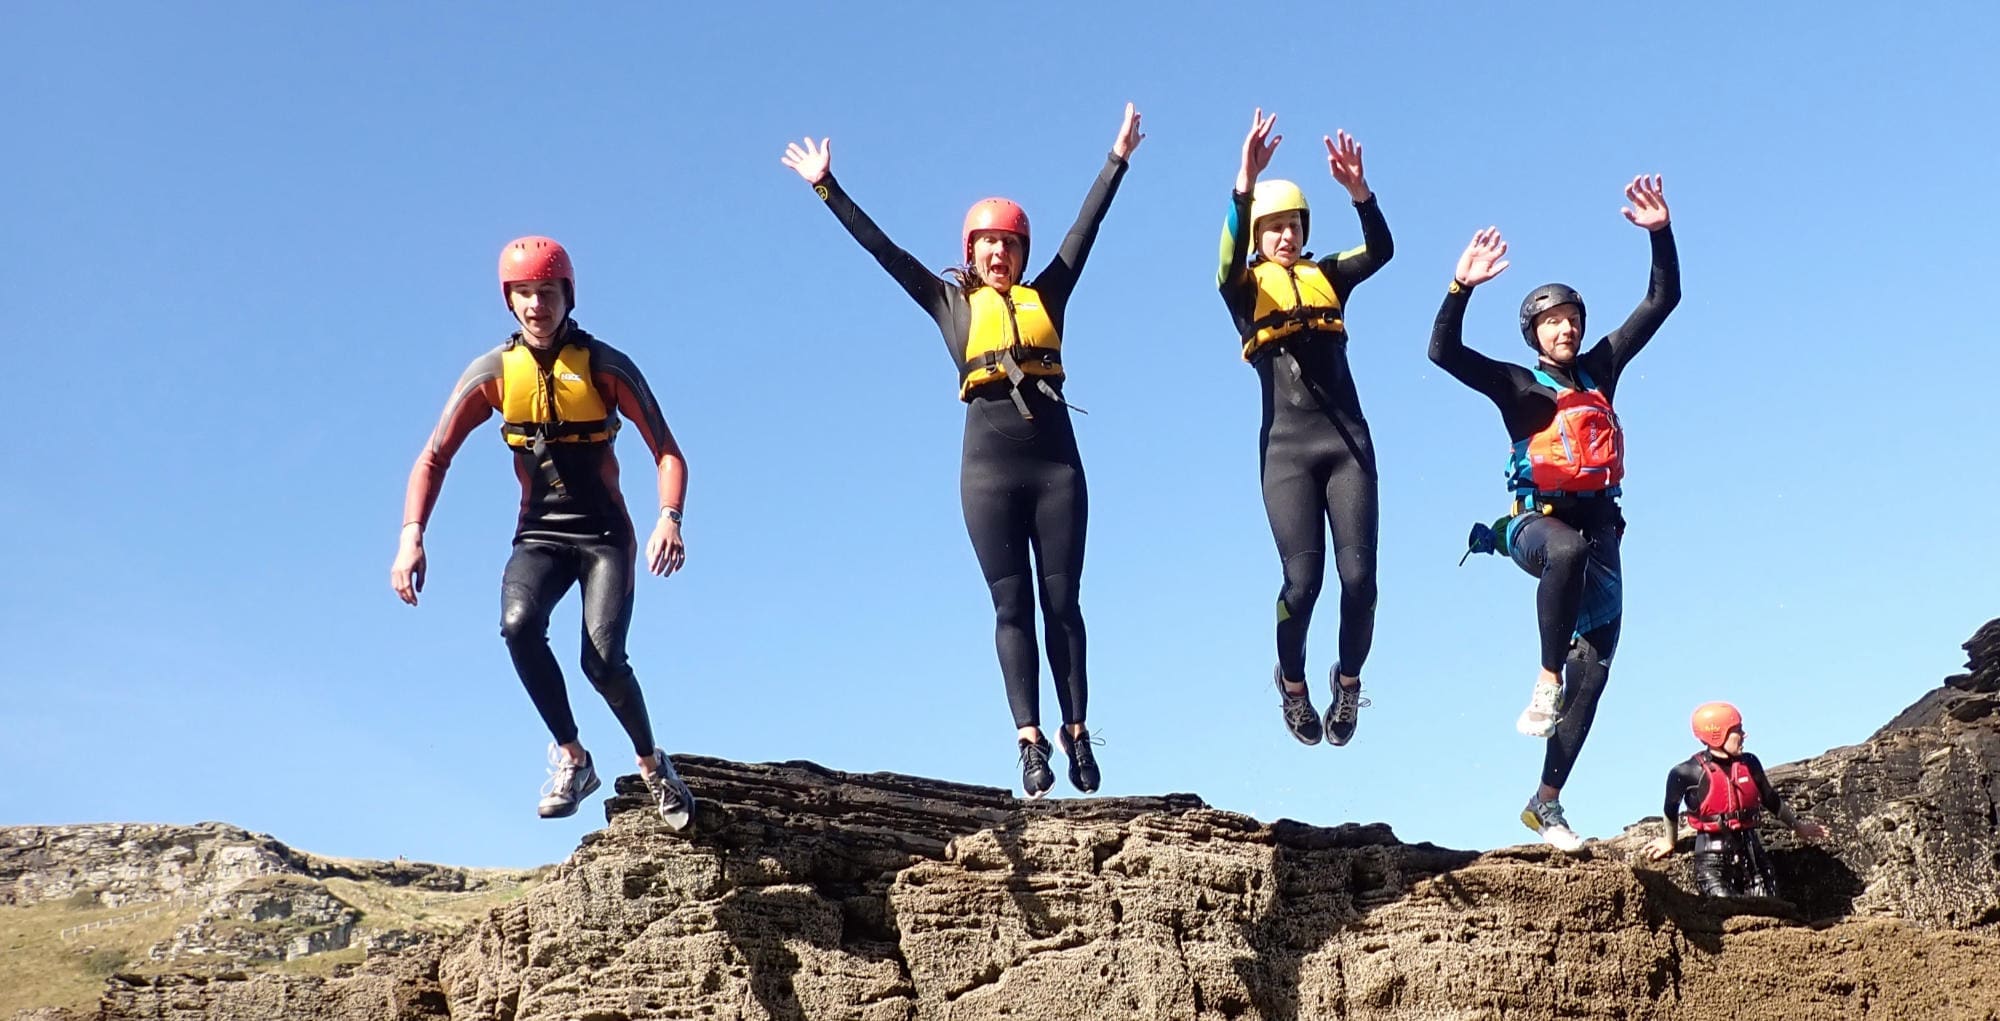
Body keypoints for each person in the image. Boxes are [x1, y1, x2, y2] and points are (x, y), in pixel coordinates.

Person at [781, 104, 1143, 798]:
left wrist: (1116, 158)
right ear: (971, 252)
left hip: (1057, 469)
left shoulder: (1049, 295)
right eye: (987, 244)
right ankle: (1030, 741)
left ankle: (1076, 729)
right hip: (988, 476)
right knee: (1013, 609)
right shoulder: (950, 305)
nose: (998, 254)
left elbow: (1084, 229)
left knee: (1063, 601)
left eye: (1008, 244)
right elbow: (884, 252)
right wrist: (829, 187)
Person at [389, 236, 696, 830]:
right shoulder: (493, 374)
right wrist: (411, 536)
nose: (536, 304)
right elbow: (432, 458)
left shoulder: (606, 366)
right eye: (524, 293)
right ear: (510, 301)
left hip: (605, 535)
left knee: (603, 663)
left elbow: (667, 450)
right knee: (518, 625)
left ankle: (654, 766)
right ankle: (573, 758)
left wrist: (670, 517)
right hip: (540, 534)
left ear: (567, 295)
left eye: (547, 292)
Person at [1430, 176, 1680, 850]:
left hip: (1603, 530)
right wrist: (1461, 287)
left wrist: (1660, 231)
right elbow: (1443, 353)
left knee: (1594, 674)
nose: (1566, 327)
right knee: (1563, 555)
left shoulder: (1601, 370)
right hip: (1534, 525)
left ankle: (1546, 803)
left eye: (1572, 318)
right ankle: (1544, 677)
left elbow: (1663, 300)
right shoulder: (1516, 384)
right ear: (1535, 333)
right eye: (1551, 320)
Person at [1217, 108, 1393, 748]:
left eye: (1292, 226)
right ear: (1260, 237)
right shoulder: (1243, 288)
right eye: (1273, 229)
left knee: (1360, 583)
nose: (1284, 237)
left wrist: (1360, 195)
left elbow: (1381, 249)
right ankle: (1292, 684)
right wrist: (1244, 184)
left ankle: (1347, 685)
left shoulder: (1329, 278)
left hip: (1349, 448)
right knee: (1303, 583)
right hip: (1287, 453)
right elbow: (1226, 258)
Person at [1645, 702, 1828, 897]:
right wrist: (1669, 841)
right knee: (1726, 908)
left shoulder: (1750, 763)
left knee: (1770, 907)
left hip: (1751, 852)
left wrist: (1798, 827)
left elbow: (1770, 798)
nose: (1744, 735)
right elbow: (1670, 808)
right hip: (1712, 856)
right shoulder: (1685, 772)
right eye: (1737, 730)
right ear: (1717, 735)